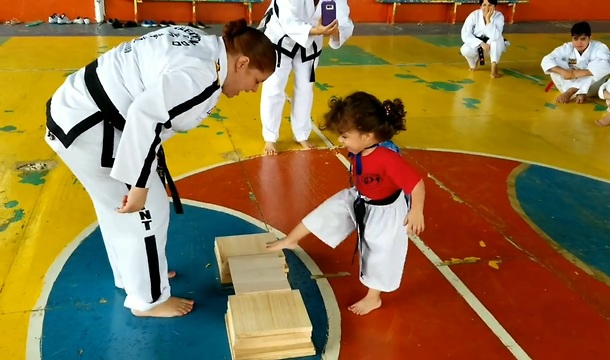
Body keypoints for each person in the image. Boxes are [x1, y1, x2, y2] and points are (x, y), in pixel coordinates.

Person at [44, 19, 276, 318]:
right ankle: (148, 300)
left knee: (116, 207)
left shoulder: (201, 42)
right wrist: (139, 185)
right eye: (256, 81)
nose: (253, 90)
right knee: (147, 211)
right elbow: (145, 116)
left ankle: (134, 277)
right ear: (242, 63)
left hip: (75, 110)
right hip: (92, 127)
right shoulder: (201, 76)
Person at [266, 91, 426, 315]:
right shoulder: (362, 146)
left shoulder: (387, 158)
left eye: (345, 136)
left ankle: (374, 297)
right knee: (327, 211)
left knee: (380, 250)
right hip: (360, 197)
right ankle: (291, 240)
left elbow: (416, 184)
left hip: (386, 210)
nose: (340, 140)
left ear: (368, 136)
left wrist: (416, 211)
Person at [258, 0, 354, 155]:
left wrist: (335, 31)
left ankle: (301, 134)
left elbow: (344, 20)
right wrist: (316, 31)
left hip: (310, 45)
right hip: (279, 38)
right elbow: (287, 19)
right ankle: (270, 137)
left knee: (305, 88)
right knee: (274, 87)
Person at [541, 21, 610, 104]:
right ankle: (578, 92)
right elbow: (546, 59)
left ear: (590, 38)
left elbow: (608, 65)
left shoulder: (599, 47)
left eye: (583, 39)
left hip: (591, 89)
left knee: (598, 64)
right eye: (575, 39)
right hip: (566, 86)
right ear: (572, 38)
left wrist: (576, 73)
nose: (579, 43)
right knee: (555, 62)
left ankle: (572, 91)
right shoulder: (567, 47)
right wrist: (563, 72)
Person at [460, 0, 509, 78]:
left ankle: (494, 67)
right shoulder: (474, 15)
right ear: (480, 6)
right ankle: (474, 63)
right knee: (464, 50)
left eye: (490, 5)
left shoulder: (499, 16)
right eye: (484, 5)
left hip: (493, 46)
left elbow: (496, 36)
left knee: (496, 40)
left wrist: (488, 19)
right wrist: (480, 43)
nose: (486, 8)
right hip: (478, 44)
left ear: (494, 7)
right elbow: (465, 34)